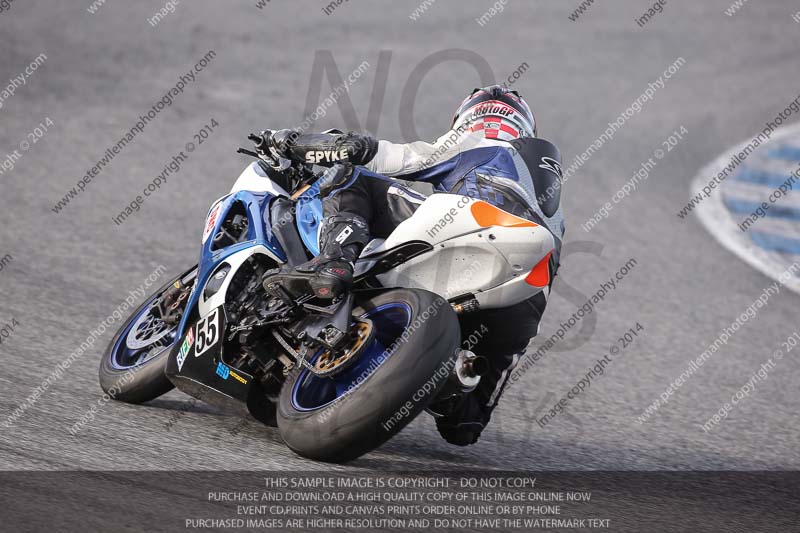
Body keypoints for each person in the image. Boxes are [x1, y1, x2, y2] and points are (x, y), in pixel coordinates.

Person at [263, 85, 565, 446]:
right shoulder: (553, 202)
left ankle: (335, 262)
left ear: (471, 117)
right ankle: (451, 379)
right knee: (465, 425)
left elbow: (373, 154)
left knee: (351, 174)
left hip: (474, 227)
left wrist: (293, 142)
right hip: (524, 295)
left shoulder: (479, 139)